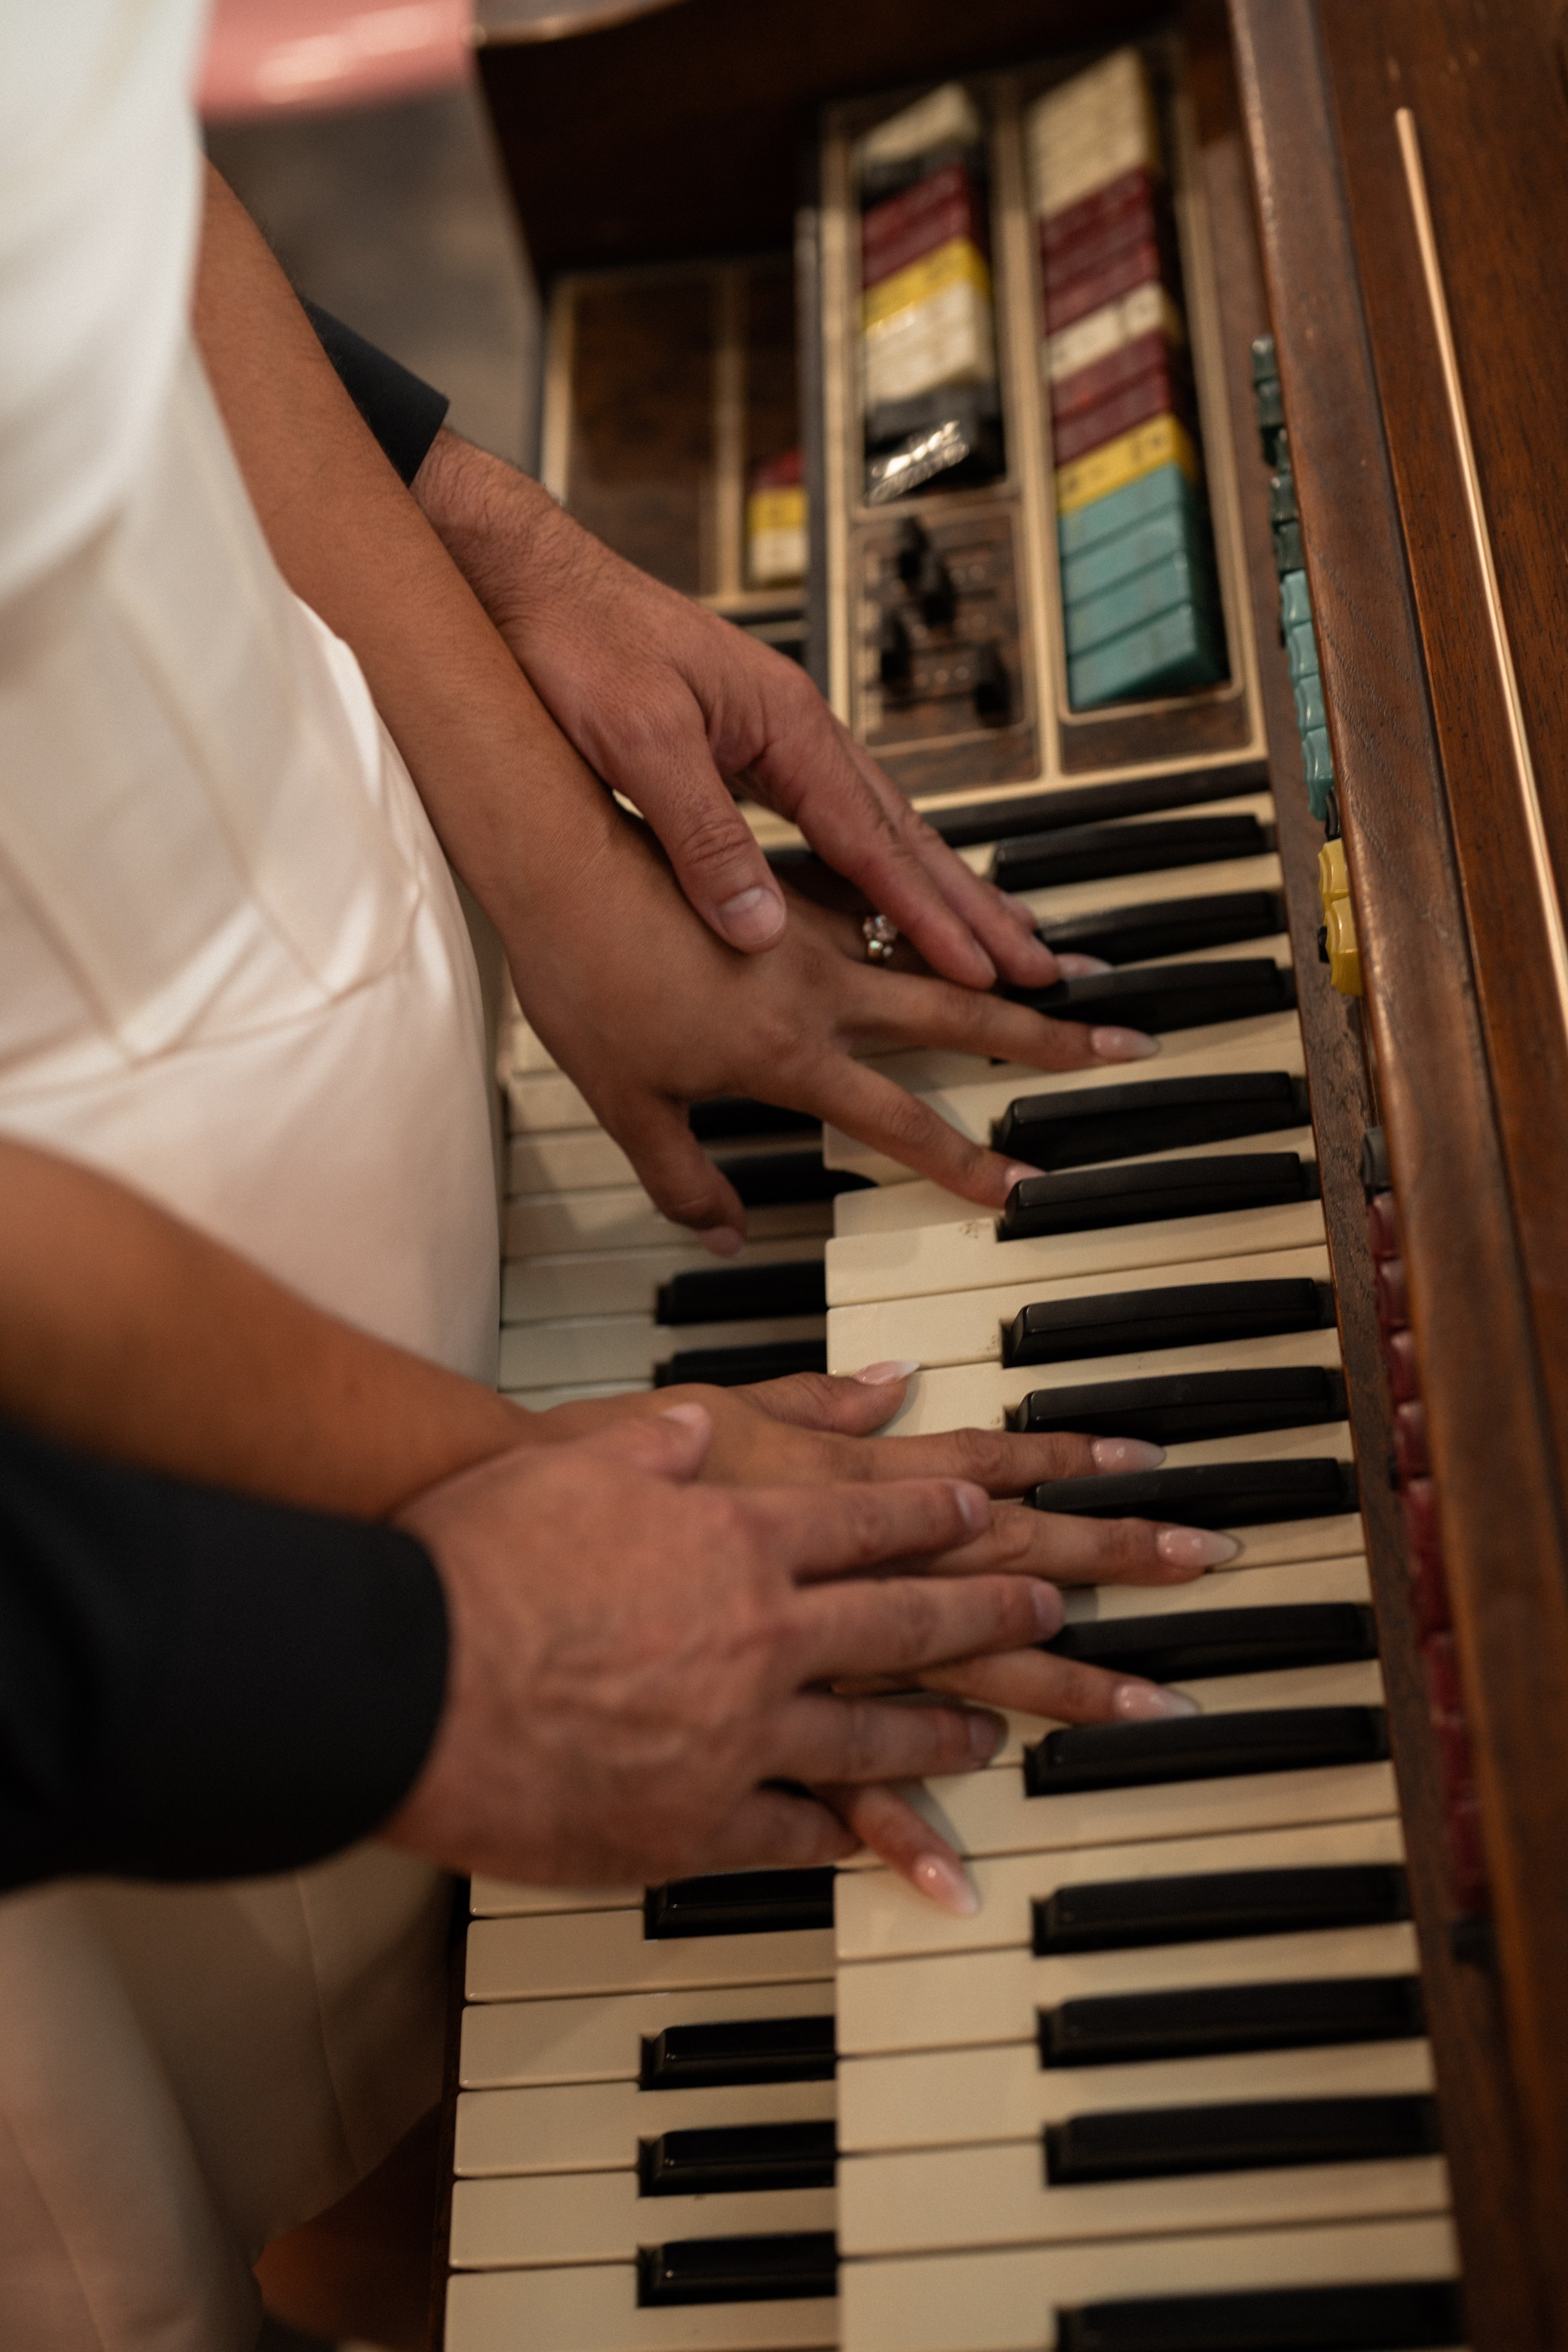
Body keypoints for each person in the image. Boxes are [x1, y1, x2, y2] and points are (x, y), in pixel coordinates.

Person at [0, 9, 1216, 2347]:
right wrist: (431, 1634)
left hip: (329, 1194)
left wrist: (516, 715)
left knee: (440, 2129)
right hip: (100, 1615)